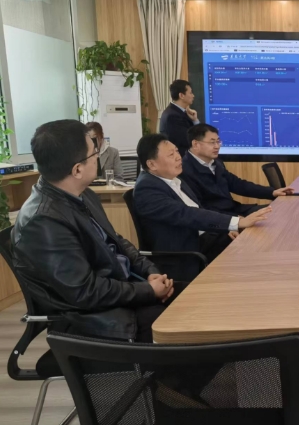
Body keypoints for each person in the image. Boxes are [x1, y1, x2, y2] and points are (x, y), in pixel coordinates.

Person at [12, 120, 176, 343]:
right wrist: (147, 290)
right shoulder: (43, 222)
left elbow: (116, 241)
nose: (98, 156)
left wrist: (149, 271)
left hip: (124, 291)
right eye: (94, 153)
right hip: (101, 319)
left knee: (197, 300)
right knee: (192, 331)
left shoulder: (83, 194)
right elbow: (85, 291)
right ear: (77, 169)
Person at [133, 134, 271, 275]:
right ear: (152, 164)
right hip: (187, 254)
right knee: (250, 249)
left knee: (256, 236)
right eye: (170, 154)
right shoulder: (147, 189)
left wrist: (225, 228)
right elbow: (187, 214)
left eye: (176, 151)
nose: (178, 157)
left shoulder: (174, 179)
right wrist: (236, 222)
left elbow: (199, 209)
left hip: (205, 240)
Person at [182, 124, 293, 216]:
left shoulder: (216, 163)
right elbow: (200, 208)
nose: (217, 146)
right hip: (219, 220)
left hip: (235, 211)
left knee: (282, 210)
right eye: (212, 142)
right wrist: (232, 222)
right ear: (195, 144)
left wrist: (272, 192)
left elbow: (238, 185)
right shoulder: (185, 170)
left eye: (218, 141)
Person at [159, 79, 199, 152]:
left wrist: (194, 120)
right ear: (181, 95)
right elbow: (190, 140)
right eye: (190, 93)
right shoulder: (173, 116)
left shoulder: (179, 112)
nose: (193, 96)